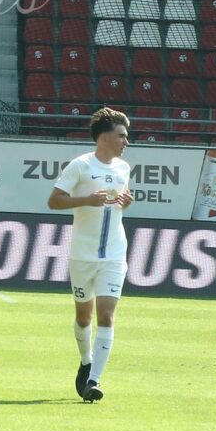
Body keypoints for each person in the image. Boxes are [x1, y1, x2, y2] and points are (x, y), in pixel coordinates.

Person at [47, 107, 134, 404]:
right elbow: (54, 201)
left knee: (106, 315)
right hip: (83, 254)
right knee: (84, 317)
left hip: (114, 253)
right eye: (122, 136)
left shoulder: (123, 168)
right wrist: (86, 200)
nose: (126, 141)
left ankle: (94, 382)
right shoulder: (81, 166)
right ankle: (86, 361)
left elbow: (120, 202)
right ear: (104, 138)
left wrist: (126, 202)